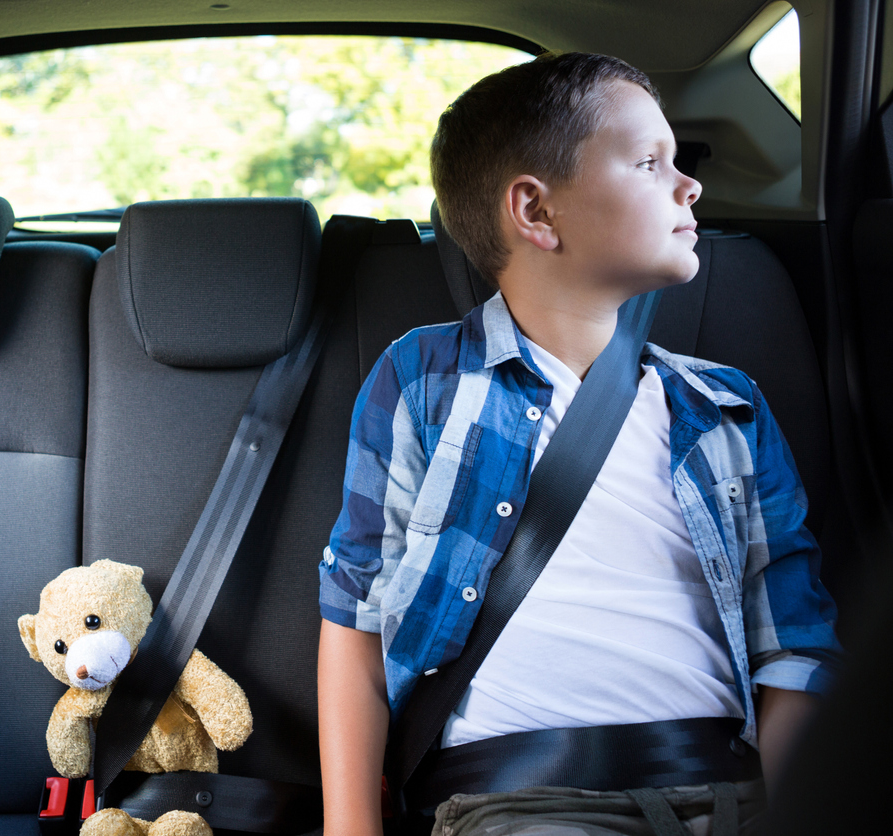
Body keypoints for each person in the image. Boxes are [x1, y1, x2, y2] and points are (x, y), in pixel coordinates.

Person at [316, 52, 841, 836]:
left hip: (729, 791)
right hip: (526, 799)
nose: (689, 184)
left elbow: (792, 645)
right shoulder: (423, 380)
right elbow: (356, 618)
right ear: (535, 211)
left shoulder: (726, 406)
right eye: (648, 162)